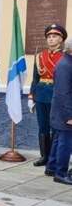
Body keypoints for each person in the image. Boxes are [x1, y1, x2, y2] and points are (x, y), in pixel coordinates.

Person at [29, 24, 66, 167]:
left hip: (57, 96)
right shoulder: (40, 56)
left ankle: (54, 157)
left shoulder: (65, 57)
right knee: (42, 126)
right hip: (41, 95)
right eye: (49, 37)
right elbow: (35, 78)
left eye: (54, 36)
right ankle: (44, 156)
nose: (51, 39)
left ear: (61, 39)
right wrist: (31, 96)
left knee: (56, 128)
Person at [45, 37, 72, 184]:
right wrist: (69, 115)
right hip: (65, 111)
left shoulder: (66, 62)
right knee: (65, 142)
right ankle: (60, 173)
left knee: (58, 139)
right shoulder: (66, 65)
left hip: (61, 109)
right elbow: (64, 92)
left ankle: (51, 167)